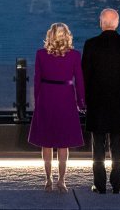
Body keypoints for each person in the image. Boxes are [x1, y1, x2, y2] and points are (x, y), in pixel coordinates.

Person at [81, 7, 120, 194]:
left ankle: (99, 185)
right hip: (118, 103)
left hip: (96, 103)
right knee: (117, 147)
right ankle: (117, 184)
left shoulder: (90, 45)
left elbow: (85, 77)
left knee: (97, 147)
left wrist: (84, 99)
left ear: (101, 22)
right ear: (117, 23)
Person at [27, 22, 85, 193]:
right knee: (63, 142)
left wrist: (37, 101)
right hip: (66, 97)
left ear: (50, 36)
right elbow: (79, 81)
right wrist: (81, 101)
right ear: (67, 35)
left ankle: (48, 180)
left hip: (46, 96)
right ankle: (62, 180)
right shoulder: (74, 55)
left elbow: (37, 80)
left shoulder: (40, 54)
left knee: (46, 141)